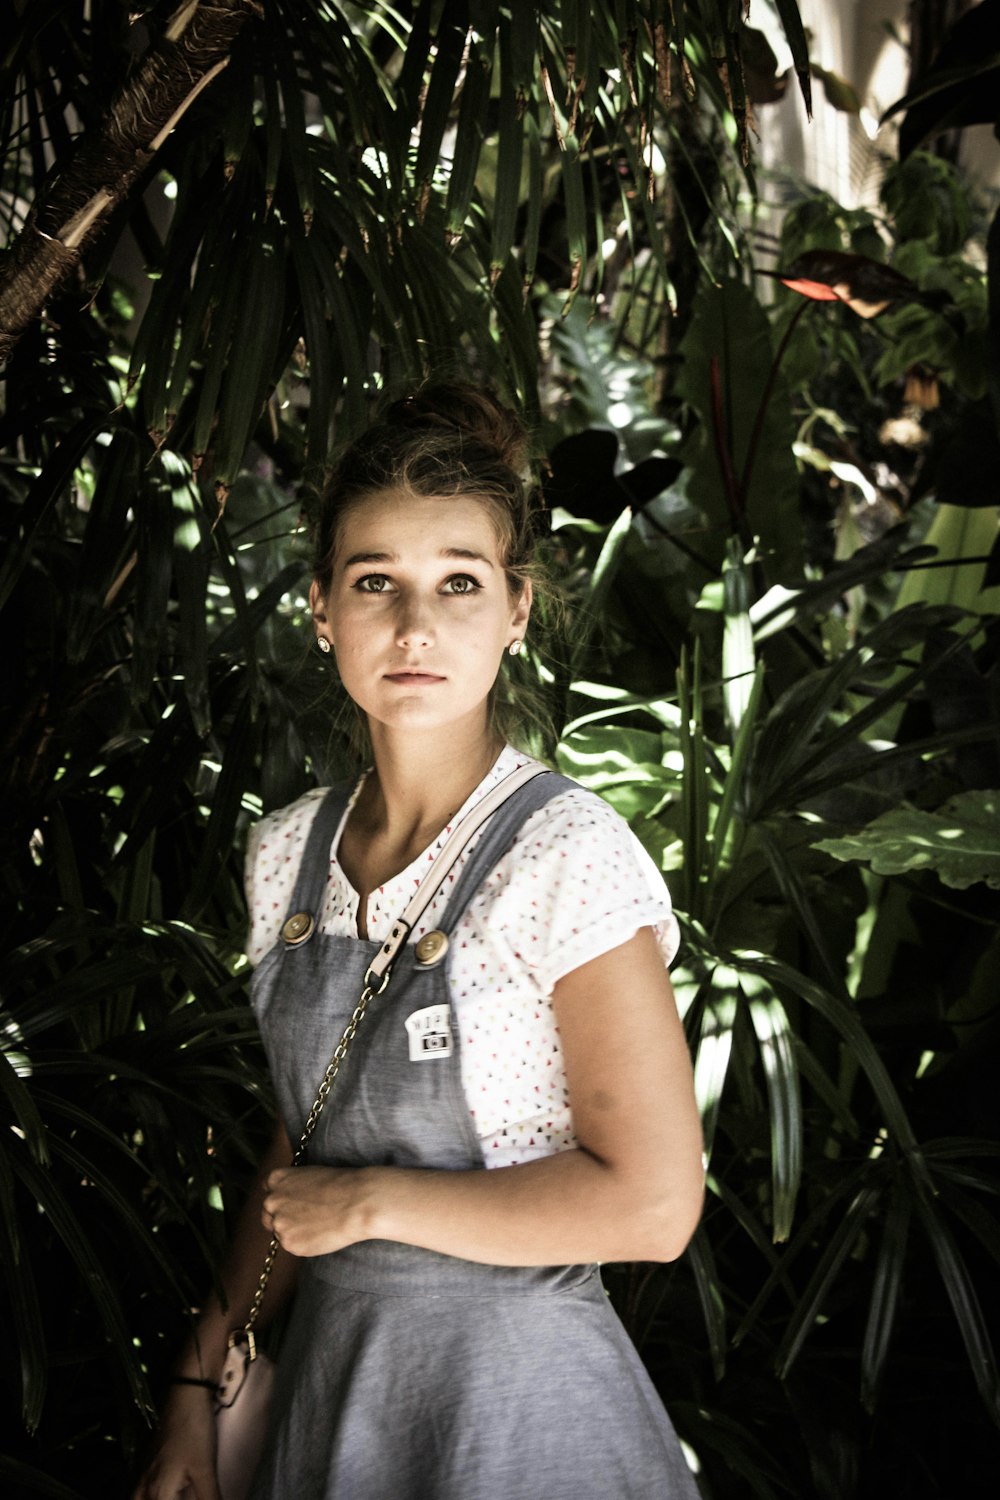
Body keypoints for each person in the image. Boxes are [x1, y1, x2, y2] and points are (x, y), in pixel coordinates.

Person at [135, 383, 705, 1500]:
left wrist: (373, 1203)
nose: (413, 627)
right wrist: (197, 1389)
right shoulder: (286, 854)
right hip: (335, 1398)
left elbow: (653, 1205)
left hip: (523, 1414)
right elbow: (299, 1155)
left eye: (458, 582)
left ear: (517, 610)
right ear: (320, 610)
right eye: (373, 583)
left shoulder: (564, 854)